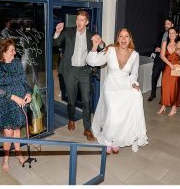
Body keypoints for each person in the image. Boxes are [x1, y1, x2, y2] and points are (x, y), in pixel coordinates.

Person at [85, 28, 148, 154]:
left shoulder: (135, 55)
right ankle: (108, 140)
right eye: (121, 36)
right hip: (111, 86)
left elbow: (134, 74)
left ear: (130, 39)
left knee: (131, 101)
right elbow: (91, 61)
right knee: (113, 114)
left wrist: (134, 84)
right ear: (117, 38)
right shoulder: (110, 50)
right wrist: (95, 46)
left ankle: (117, 140)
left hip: (125, 85)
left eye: (126, 36)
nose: (123, 39)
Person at [52, 10, 99, 141]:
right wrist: (57, 32)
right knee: (71, 100)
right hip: (70, 70)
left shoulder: (91, 35)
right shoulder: (68, 32)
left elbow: (101, 47)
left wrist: (99, 42)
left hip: (84, 71)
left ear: (87, 22)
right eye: (77, 19)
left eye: (82, 20)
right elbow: (55, 43)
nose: (79, 22)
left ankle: (87, 129)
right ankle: (71, 119)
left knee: (86, 101)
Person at [0, 39, 31, 172]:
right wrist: (13, 97)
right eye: (11, 50)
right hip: (4, 103)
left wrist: (28, 93)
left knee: (17, 129)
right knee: (8, 132)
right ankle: (5, 159)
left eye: (14, 50)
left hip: (19, 102)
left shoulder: (17, 63)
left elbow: (24, 81)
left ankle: (19, 154)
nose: (14, 52)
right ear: (3, 53)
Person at [157, 27, 180, 116]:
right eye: (169, 33)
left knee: (175, 87)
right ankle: (164, 105)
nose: (171, 35)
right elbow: (162, 56)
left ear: (177, 34)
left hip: (177, 68)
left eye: (173, 33)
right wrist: (170, 65)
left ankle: (174, 107)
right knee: (165, 86)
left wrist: (178, 53)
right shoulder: (165, 43)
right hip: (168, 67)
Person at [149, 19, 174, 101]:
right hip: (158, 59)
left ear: (172, 25)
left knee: (165, 79)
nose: (166, 25)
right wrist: (155, 48)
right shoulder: (160, 33)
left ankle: (164, 96)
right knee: (154, 76)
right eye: (165, 24)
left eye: (168, 24)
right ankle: (153, 94)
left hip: (168, 60)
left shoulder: (174, 35)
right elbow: (155, 44)